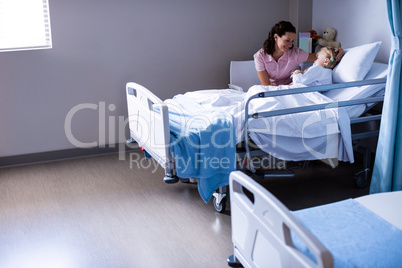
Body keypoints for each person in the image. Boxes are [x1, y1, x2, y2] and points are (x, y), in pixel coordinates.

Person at [254, 21, 344, 86]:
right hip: (272, 91)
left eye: (292, 41)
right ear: (276, 37)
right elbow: (266, 85)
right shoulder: (260, 56)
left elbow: (321, 56)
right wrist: (287, 88)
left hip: (291, 90)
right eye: (287, 40)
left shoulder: (296, 54)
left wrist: (337, 51)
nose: (290, 45)